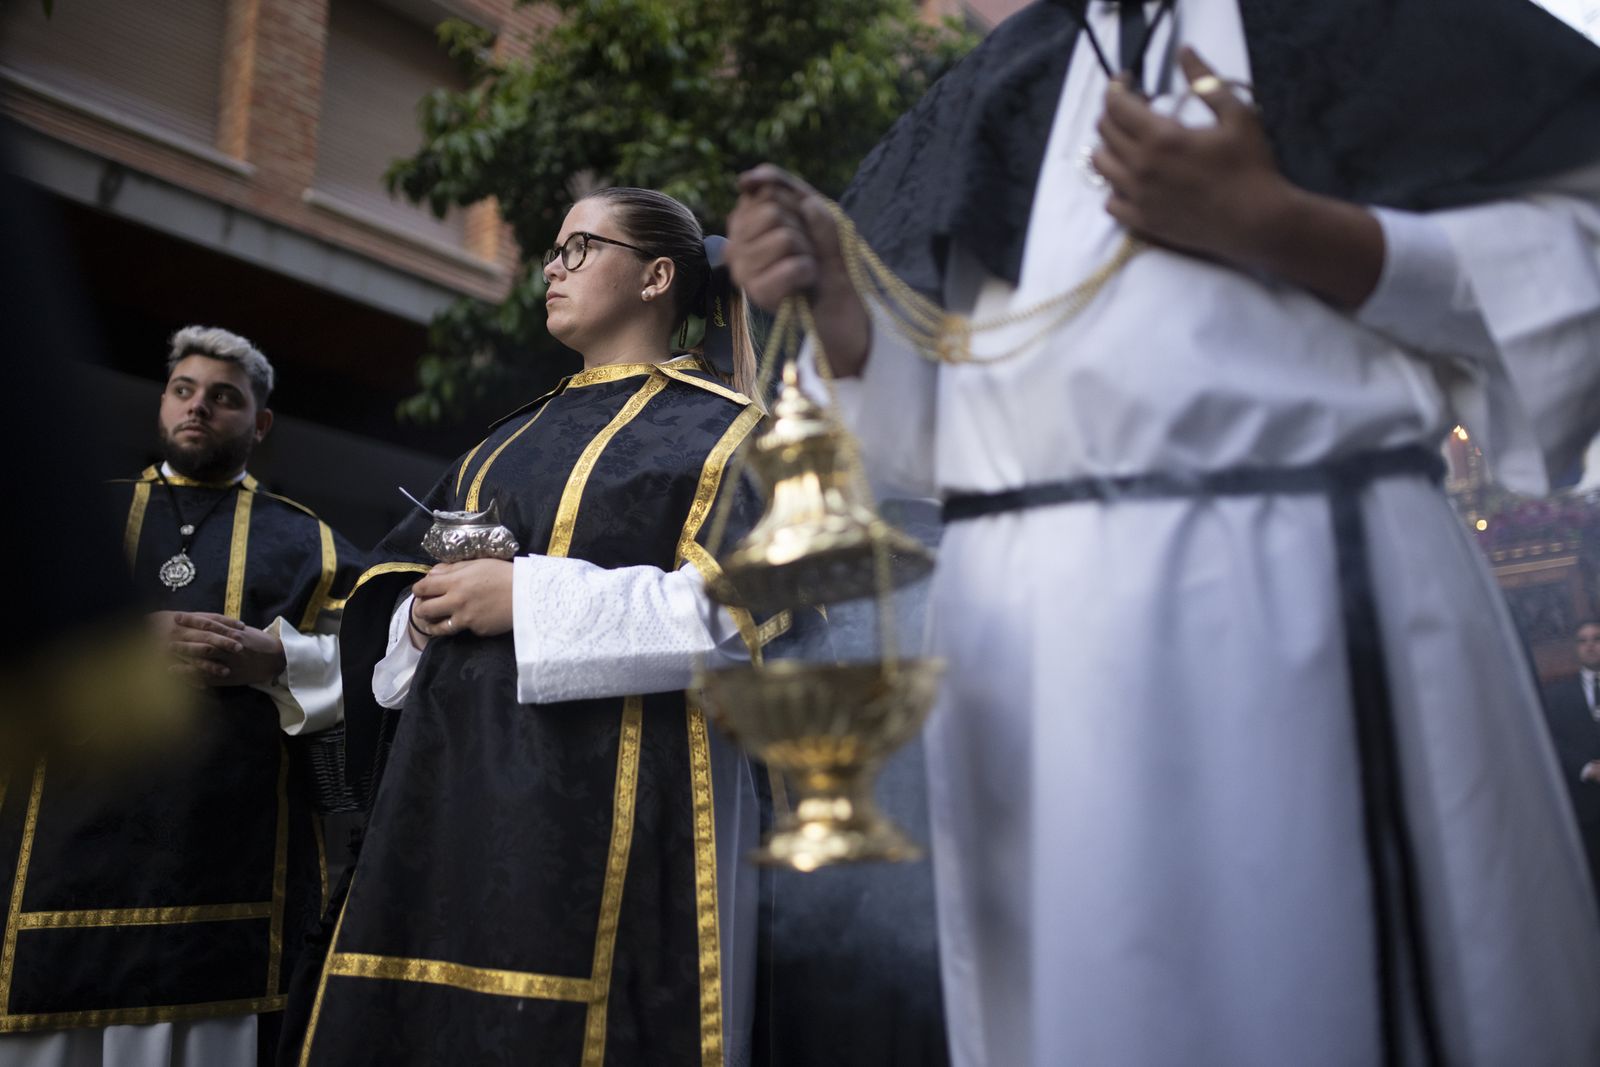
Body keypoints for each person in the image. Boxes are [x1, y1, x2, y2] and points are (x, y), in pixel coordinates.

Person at [727, 1, 1600, 1065]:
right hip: (1027, 650)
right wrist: (846, 311)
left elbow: (1579, 263)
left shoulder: (1373, 17)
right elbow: (953, 436)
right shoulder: (1007, 75)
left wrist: (1283, 227)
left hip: (1287, 601)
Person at [290, 188, 778, 1066]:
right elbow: (390, 612)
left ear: (656, 277)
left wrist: (527, 598)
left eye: (580, 247)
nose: (552, 267)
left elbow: (734, 614)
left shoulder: (732, 435)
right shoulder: (499, 443)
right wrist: (423, 615)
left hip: (625, 826)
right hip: (449, 811)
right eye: (553, 250)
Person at [0, 328, 365, 1065]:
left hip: (224, 868)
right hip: (58, 859)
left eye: (224, 397)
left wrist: (275, 657)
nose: (199, 407)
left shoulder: (315, 545)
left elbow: (379, 668)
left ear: (260, 423)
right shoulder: (73, 517)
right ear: (163, 403)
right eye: (184, 390)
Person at [1541, 619, 1600, 907]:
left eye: (1596, 639)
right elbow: (1552, 740)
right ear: (1575, 648)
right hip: (1587, 808)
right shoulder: (1556, 696)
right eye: (1582, 640)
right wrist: (1587, 768)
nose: (1590, 645)